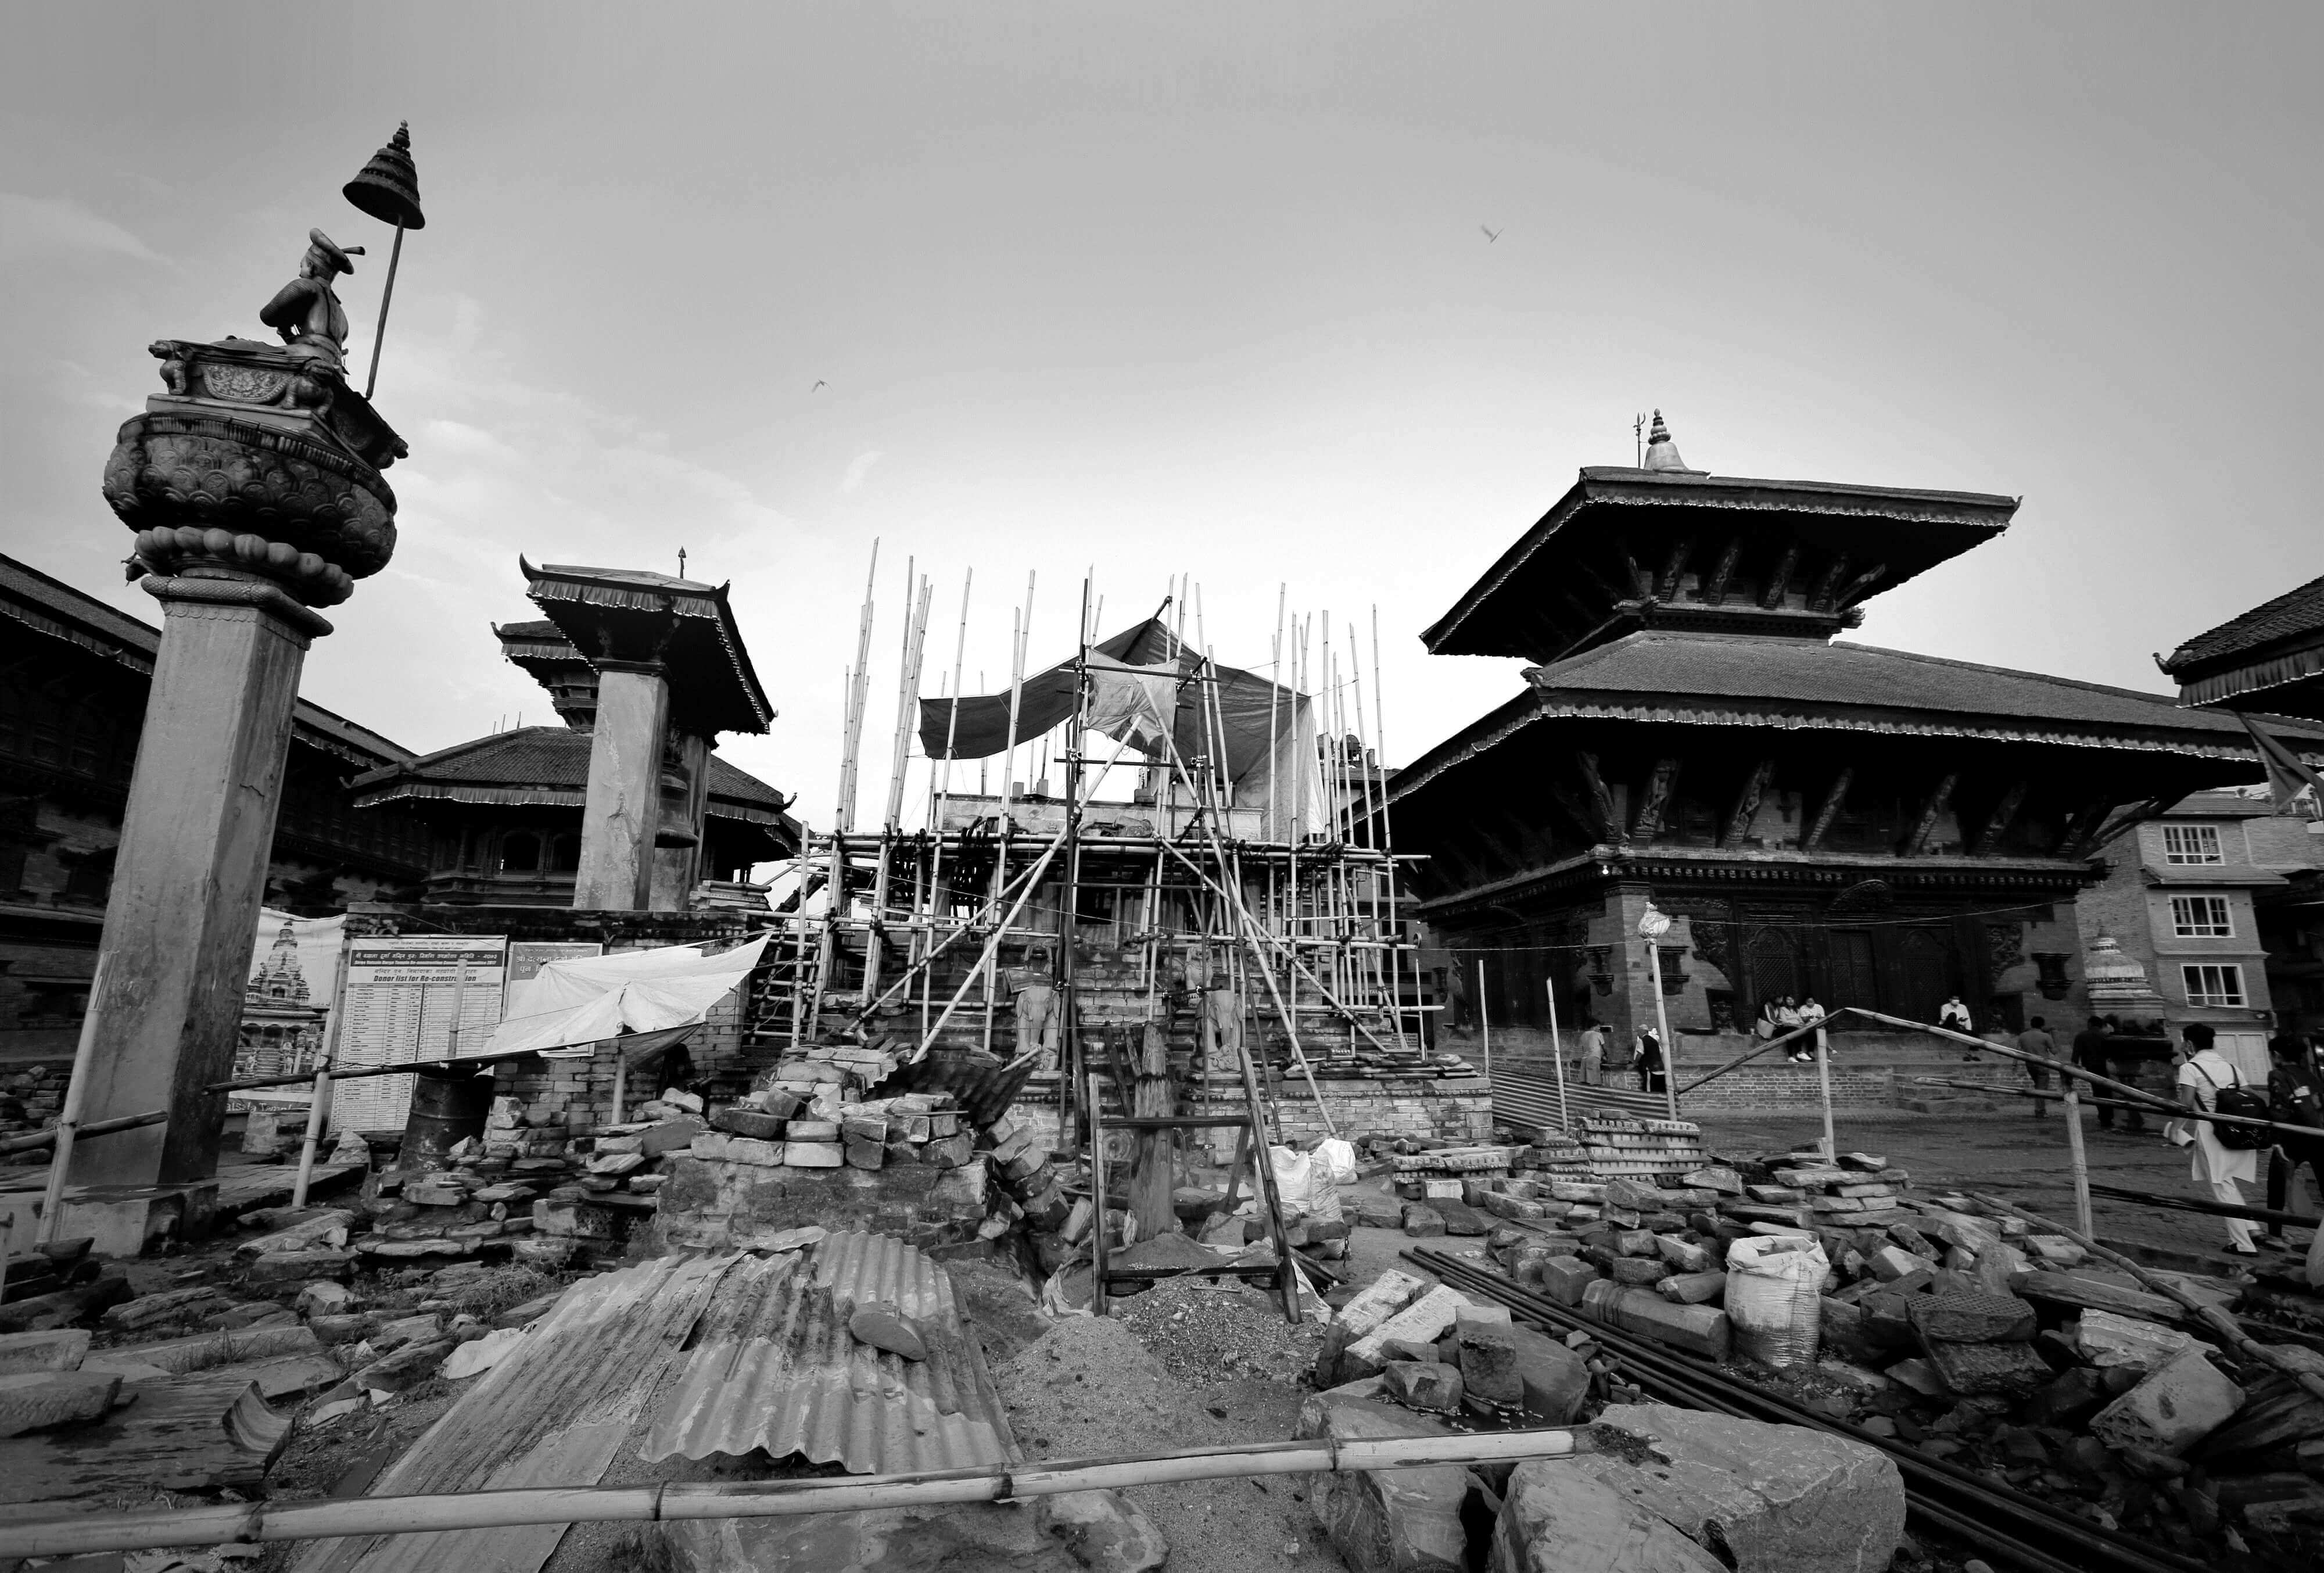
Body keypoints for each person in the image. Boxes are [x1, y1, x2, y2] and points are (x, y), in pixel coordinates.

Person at [2177, 1023, 2261, 1256]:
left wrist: (2174, 1129)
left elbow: (2185, 1105)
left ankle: (2243, 1244)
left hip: (2211, 1133)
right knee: (2228, 1183)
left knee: (2222, 1187)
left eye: (2184, 1042)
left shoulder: (2190, 1068)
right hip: (2237, 1131)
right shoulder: (2232, 1067)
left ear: (2190, 1044)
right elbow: (2250, 1095)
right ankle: (2253, 1228)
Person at [2072, 1015, 2142, 1133]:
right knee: (2109, 1092)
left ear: (2089, 1024)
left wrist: (2075, 1066)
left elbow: (2075, 1056)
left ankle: (2104, 1118)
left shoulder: (2081, 1036)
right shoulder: (2107, 1036)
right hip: (2107, 1067)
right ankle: (2110, 1117)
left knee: (2098, 1092)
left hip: (2091, 1068)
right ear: (2101, 1026)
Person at [2016, 1015, 2060, 1117]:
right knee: (2041, 1089)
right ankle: (2040, 1111)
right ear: (2042, 1025)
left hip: (2030, 1065)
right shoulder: (2045, 1036)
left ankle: (2040, 1110)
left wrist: (2015, 1064)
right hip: (2042, 1065)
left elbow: (2018, 1051)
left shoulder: (2023, 1036)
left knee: (2038, 1086)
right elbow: (2055, 1051)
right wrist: (2055, 1037)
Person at [1792, 995, 1828, 1066]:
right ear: (1806, 1002)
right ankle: (1809, 1052)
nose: (1810, 1003)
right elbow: (1804, 1020)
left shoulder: (1819, 1007)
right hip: (1808, 1026)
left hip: (1819, 1024)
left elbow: (1824, 1020)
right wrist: (1809, 1018)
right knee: (1810, 1033)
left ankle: (1827, 1052)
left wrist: (1820, 1017)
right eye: (1808, 1002)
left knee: (1822, 1029)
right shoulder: (1803, 1008)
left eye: (1812, 1002)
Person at [1939, 994, 1975, 1060]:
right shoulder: (1945, 1007)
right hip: (1947, 1025)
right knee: (1953, 1015)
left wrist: (1969, 1030)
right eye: (1954, 999)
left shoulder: (1963, 1007)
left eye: (1957, 999)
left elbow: (1967, 1019)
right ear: (1950, 1000)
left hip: (1959, 1026)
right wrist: (1957, 1020)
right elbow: (1944, 1019)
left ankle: (1972, 1052)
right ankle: (1956, 1030)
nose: (1956, 1001)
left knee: (1974, 1034)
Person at [1636, 1024, 1665, 1095]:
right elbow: (1661, 1051)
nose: (1637, 1034)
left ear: (1641, 1032)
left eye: (1638, 1032)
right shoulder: (1654, 1041)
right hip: (1660, 1068)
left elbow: (1640, 1054)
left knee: (1649, 1088)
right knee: (1659, 1088)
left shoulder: (1642, 1041)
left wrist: (1635, 1063)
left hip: (1650, 1068)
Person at [1576, 1019, 1607, 1087]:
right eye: (1598, 1027)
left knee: (1585, 1082)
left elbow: (1583, 1048)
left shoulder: (1583, 1035)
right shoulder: (1598, 1034)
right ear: (1594, 1026)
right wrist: (1605, 1055)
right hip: (1594, 1059)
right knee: (1595, 1083)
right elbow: (1604, 1048)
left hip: (1584, 1060)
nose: (1599, 1028)